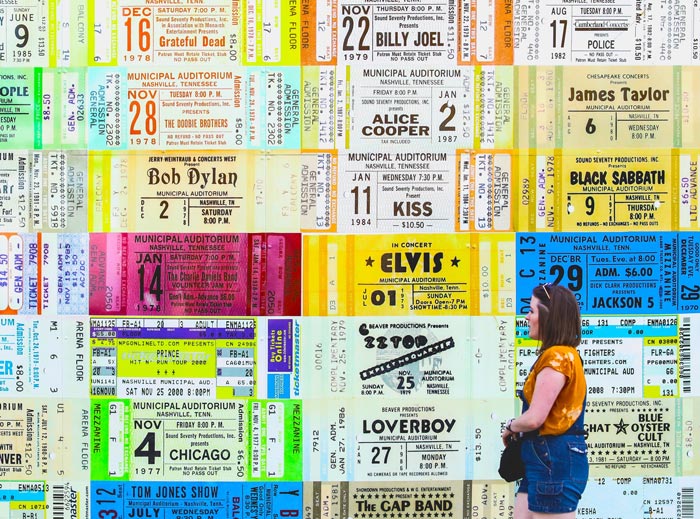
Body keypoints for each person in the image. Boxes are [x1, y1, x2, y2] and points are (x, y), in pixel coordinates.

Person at [501, 283, 588, 519]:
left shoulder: (557, 356)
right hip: (546, 457)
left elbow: (535, 418)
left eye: (532, 311)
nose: (526, 317)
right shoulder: (565, 355)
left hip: (552, 458)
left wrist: (510, 427)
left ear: (548, 316)